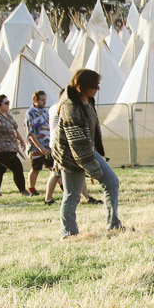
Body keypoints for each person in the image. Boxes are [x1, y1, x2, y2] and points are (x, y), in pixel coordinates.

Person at [52, 69, 123, 237]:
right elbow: (77, 143)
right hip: (70, 156)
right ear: (83, 86)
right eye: (94, 85)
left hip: (89, 151)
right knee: (72, 196)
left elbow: (91, 134)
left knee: (112, 182)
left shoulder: (88, 100)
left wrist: (96, 158)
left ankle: (113, 224)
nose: (98, 88)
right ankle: (69, 233)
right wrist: (92, 169)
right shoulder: (70, 107)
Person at [44, 88, 99, 206]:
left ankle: (87, 197)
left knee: (77, 170)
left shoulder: (54, 107)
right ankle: (48, 198)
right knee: (55, 173)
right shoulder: (63, 107)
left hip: (57, 144)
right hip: (60, 145)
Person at [0, 94, 31, 197]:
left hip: (10, 149)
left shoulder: (7, 115)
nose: (8, 105)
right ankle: (23, 191)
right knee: (17, 167)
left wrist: (21, 140)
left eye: (8, 102)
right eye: (6, 103)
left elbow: (14, 129)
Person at [24, 90, 51, 196]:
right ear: (35, 99)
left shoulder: (45, 111)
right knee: (36, 168)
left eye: (45, 99)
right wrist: (39, 147)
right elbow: (31, 132)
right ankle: (32, 189)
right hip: (36, 147)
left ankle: (63, 187)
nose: (44, 102)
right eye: (42, 100)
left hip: (47, 145)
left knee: (53, 168)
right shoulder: (30, 113)